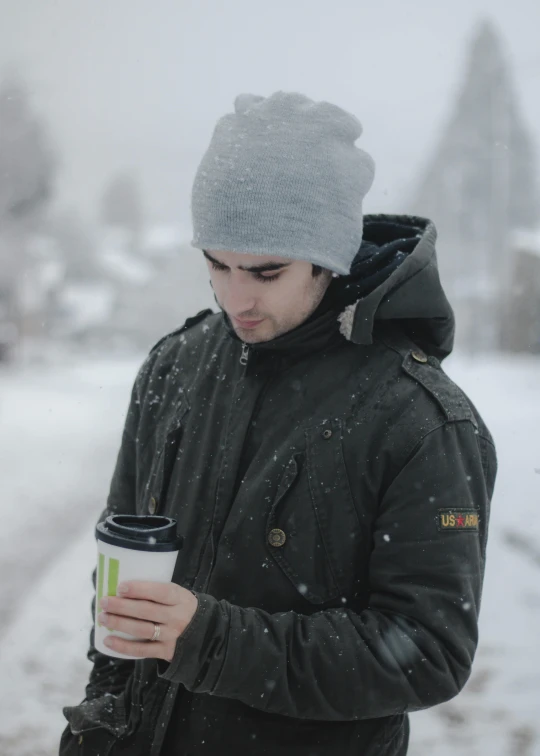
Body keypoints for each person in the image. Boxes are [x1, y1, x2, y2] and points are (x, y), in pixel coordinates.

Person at [60, 91, 497, 756]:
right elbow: (122, 573)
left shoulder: (422, 422)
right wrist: (100, 721)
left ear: (329, 256)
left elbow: (428, 651)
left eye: (266, 271)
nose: (236, 297)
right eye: (216, 263)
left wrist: (210, 640)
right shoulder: (173, 366)